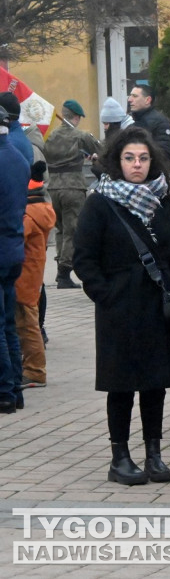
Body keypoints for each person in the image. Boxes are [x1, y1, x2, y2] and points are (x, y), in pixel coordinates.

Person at [73, 128, 170, 485]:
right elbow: (84, 259)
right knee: (120, 384)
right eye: (129, 158)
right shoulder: (100, 201)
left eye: (143, 159)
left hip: (158, 306)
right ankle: (119, 457)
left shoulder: (162, 200)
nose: (137, 165)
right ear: (116, 161)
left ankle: (154, 454)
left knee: (155, 383)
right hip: (119, 309)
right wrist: (106, 295)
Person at [44, 99, 101, 289]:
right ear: (75, 117)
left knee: (60, 229)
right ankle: (64, 272)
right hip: (73, 187)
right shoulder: (80, 135)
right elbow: (100, 150)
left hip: (52, 187)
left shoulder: (51, 136)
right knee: (72, 230)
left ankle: (60, 263)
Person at [0, 104, 31, 415]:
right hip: (12, 248)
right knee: (9, 322)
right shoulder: (19, 158)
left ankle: (5, 391)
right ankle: (16, 388)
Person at [16, 162, 55, 389]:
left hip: (24, 277)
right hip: (34, 275)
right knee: (29, 322)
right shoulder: (42, 207)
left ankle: (35, 370)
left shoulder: (28, 215)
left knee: (27, 325)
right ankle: (32, 368)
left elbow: (16, 239)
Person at [127, 84, 170, 161]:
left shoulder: (159, 122)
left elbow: (165, 153)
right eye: (130, 96)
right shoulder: (135, 121)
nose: (129, 99)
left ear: (147, 100)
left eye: (135, 96)